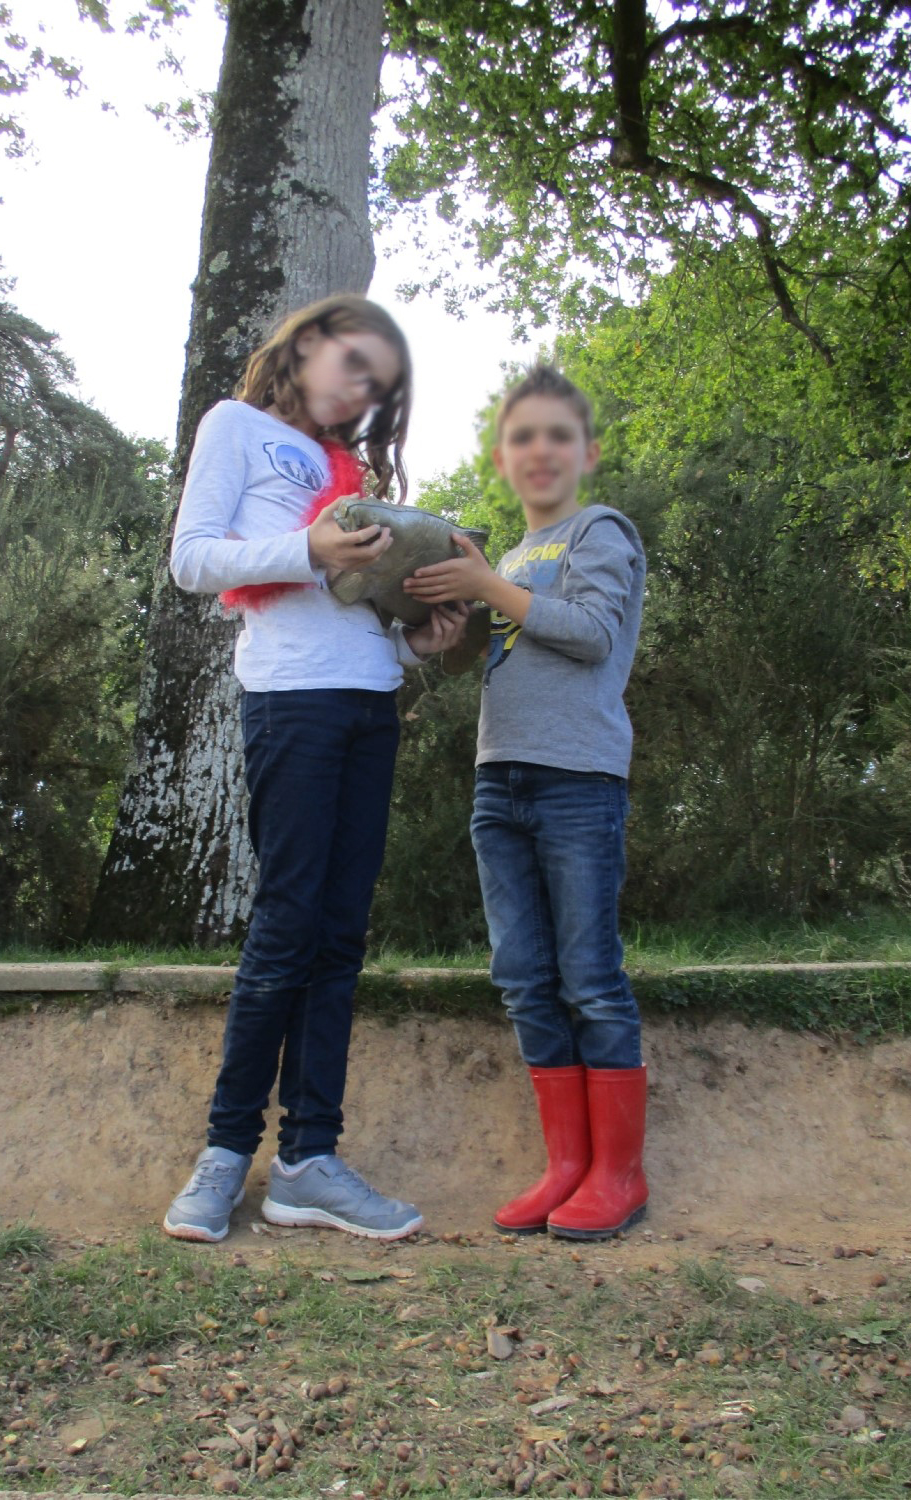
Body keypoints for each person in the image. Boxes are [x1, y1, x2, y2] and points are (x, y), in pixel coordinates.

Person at [163, 294, 466, 1244]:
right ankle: (221, 1156)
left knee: (339, 933)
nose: (359, 388)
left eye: (376, 382)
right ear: (304, 345)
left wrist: (426, 636)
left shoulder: (355, 472)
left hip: (370, 703)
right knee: (288, 924)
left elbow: (359, 611)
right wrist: (311, 545)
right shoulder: (237, 426)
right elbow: (192, 560)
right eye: (352, 361)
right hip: (288, 703)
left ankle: (307, 1162)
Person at [403, 364, 648, 1240]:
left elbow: (587, 634)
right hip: (497, 781)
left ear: (584, 451)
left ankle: (619, 1174)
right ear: (502, 460)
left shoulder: (598, 531)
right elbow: (488, 648)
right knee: (522, 977)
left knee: (588, 973)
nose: (539, 450)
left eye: (557, 434)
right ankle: (567, 1166)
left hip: (576, 780)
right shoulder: (503, 558)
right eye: (521, 437)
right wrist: (442, 635)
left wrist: (488, 591)